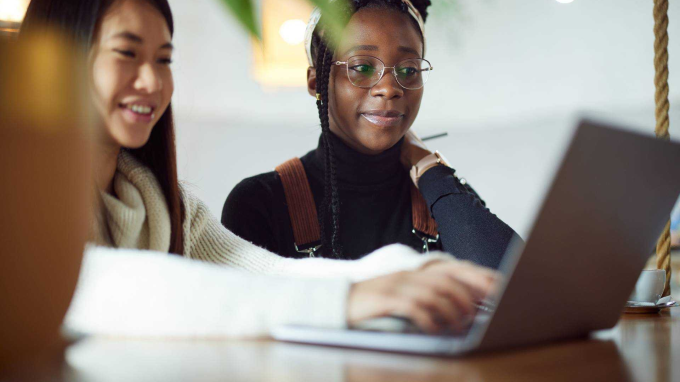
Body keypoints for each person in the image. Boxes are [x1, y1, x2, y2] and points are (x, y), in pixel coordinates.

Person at [20, 0, 499, 335]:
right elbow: (102, 285)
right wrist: (347, 301)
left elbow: (262, 273)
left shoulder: (166, 203)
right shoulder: (20, 198)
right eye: (127, 53)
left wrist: (406, 274)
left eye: (164, 59)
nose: (151, 80)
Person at [222, 0, 520, 268]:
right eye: (362, 66)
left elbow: (516, 287)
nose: (389, 88)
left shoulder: (444, 197)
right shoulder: (260, 203)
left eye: (408, 70)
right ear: (315, 82)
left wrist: (431, 169)